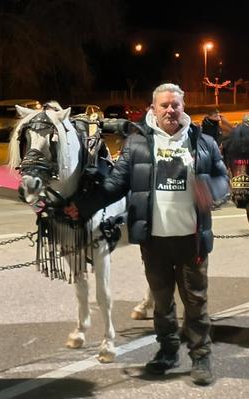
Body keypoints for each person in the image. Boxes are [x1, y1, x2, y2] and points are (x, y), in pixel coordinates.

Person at [64, 83, 229, 385]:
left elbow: (222, 178)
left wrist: (213, 192)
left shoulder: (203, 142)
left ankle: (201, 356)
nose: (170, 110)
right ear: (153, 108)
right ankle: (167, 352)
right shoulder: (137, 145)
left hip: (191, 238)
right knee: (163, 302)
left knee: (195, 302)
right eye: (163, 105)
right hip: (154, 239)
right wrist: (83, 206)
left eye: (175, 105)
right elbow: (115, 184)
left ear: (183, 107)